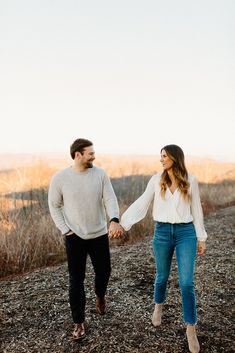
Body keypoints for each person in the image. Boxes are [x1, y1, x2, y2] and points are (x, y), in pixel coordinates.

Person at [115, 144, 207, 353]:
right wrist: (124, 223)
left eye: (164, 156)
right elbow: (142, 203)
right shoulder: (156, 180)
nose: (161, 159)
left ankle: (190, 329)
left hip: (186, 233)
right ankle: (158, 307)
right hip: (163, 233)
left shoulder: (190, 180)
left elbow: (197, 210)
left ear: (175, 158)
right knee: (161, 277)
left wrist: (201, 237)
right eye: (161, 156)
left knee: (186, 283)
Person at [48, 138, 123, 341]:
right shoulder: (60, 178)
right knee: (76, 280)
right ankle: (79, 323)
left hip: (98, 234)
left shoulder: (100, 174)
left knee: (104, 271)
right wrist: (65, 229)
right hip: (74, 237)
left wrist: (114, 220)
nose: (94, 156)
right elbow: (54, 205)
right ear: (77, 155)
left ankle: (100, 296)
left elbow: (110, 198)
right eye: (90, 153)